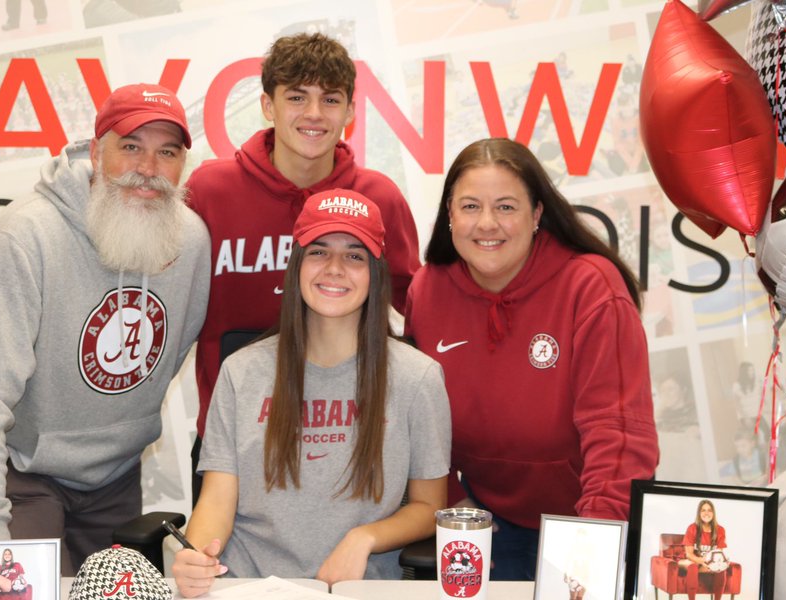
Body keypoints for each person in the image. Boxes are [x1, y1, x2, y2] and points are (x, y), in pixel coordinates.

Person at [0, 83, 210, 575]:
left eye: (167, 152)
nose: (148, 169)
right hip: (21, 469)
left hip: (117, 474)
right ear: (97, 153)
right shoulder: (26, 237)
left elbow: (170, 354)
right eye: (130, 147)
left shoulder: (190, 240)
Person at [172, 189, 451, 597]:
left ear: (376, 273)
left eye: (355, 256)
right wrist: (196, 555)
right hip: (250, 586)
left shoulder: (417, 377)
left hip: (357, 589)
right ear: (296, 264)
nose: (335, 268)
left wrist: (365, 537)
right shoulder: (240, 372)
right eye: (319, 252)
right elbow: (217, 501)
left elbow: (430, 508)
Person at [404, 138, 658, 580]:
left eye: (506, 207)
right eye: (469, 206)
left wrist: (591, 545)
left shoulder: (591, 287)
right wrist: (453, 500)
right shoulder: (427, 291)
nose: (487, 224)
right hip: (487, 518)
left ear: (537, 214)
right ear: (449, 214)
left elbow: (618, 435)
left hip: (589, 517)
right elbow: (415, 420)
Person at [185, 32, 422, 500]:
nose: (314, 114)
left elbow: (420, 307)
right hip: (233, 447)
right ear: (268, 106)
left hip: (356, 442)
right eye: (297, 97)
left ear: (350, 112)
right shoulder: (210, 190)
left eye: (330, 99)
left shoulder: (378, 198)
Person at [683, 500, 729, 600]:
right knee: (692, 566)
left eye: (709, 510)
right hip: (692, 560)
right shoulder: (692, 528)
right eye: (703, 510)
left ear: (713, 513)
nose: (706, 513)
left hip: (707, 563)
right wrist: (701, 561)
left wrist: (718, 563)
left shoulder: (720, 530)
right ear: (699, 513)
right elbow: (689, 554)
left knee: (721, 569)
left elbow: (719, 553)